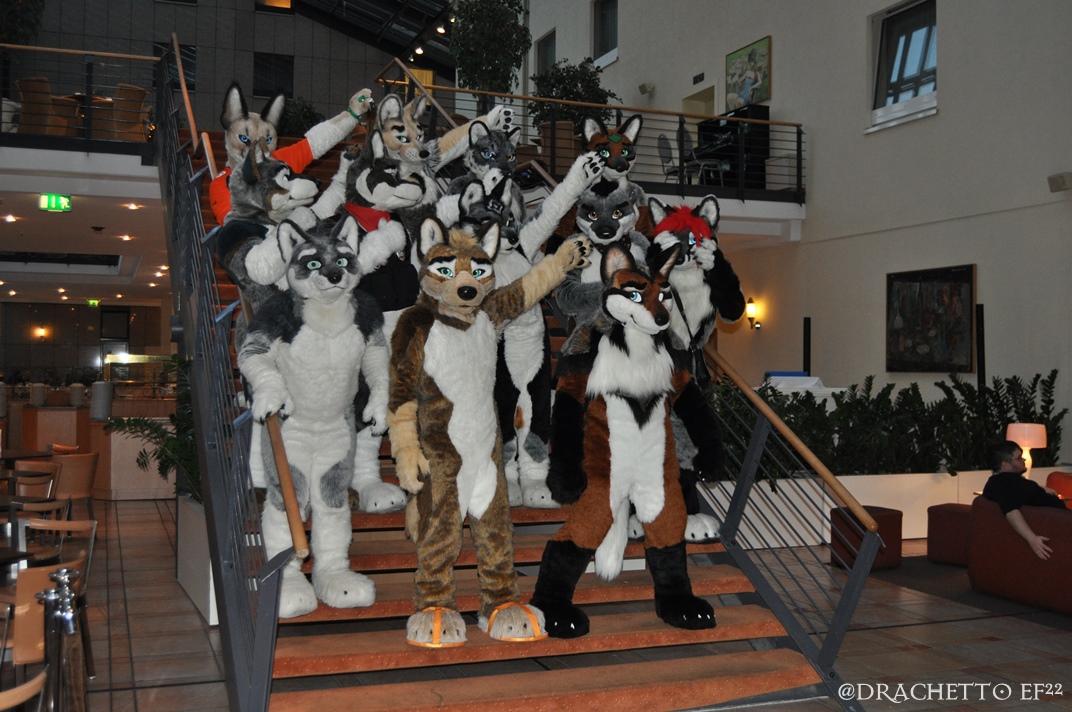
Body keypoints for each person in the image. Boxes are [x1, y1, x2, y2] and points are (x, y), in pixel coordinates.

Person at [982, 439, 1065, 560]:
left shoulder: (994, 483)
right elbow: (1010, 510)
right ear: (1006, 464)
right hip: (1060, 525)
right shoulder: (1008, 484)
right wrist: (1032, 539)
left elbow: (1015, 494)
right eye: (1019, 458)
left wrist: (1041, 488)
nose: (1023, 460)